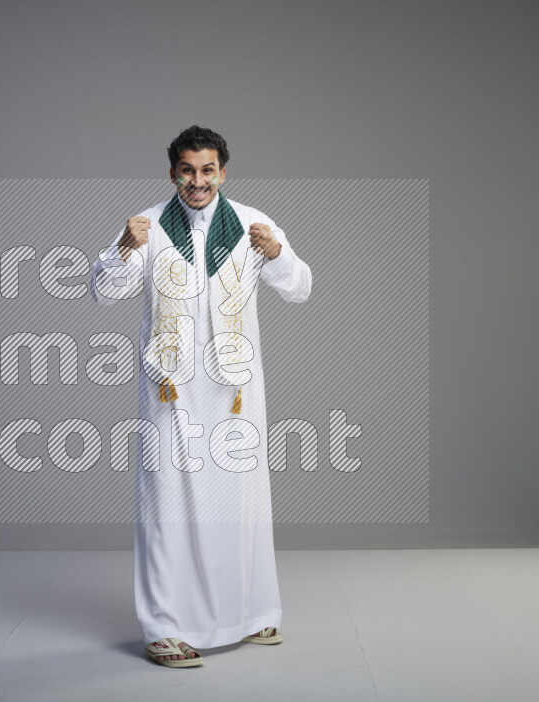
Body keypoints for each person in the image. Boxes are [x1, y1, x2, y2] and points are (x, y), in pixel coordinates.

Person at [90, 125, 312, 667]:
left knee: (241, 501)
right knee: (167, 505)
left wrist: (277, 253)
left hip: (235, 392)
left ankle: (252, 613)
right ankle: (164, 627)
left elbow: (301, 287)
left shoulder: (253, 225)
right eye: (187, 170)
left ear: (223, 173)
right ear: (173, 173)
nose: (197, 181)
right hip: (172, 391)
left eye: (207, 170)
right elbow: (103, 292)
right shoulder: (148, 228)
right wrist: (123, 248)